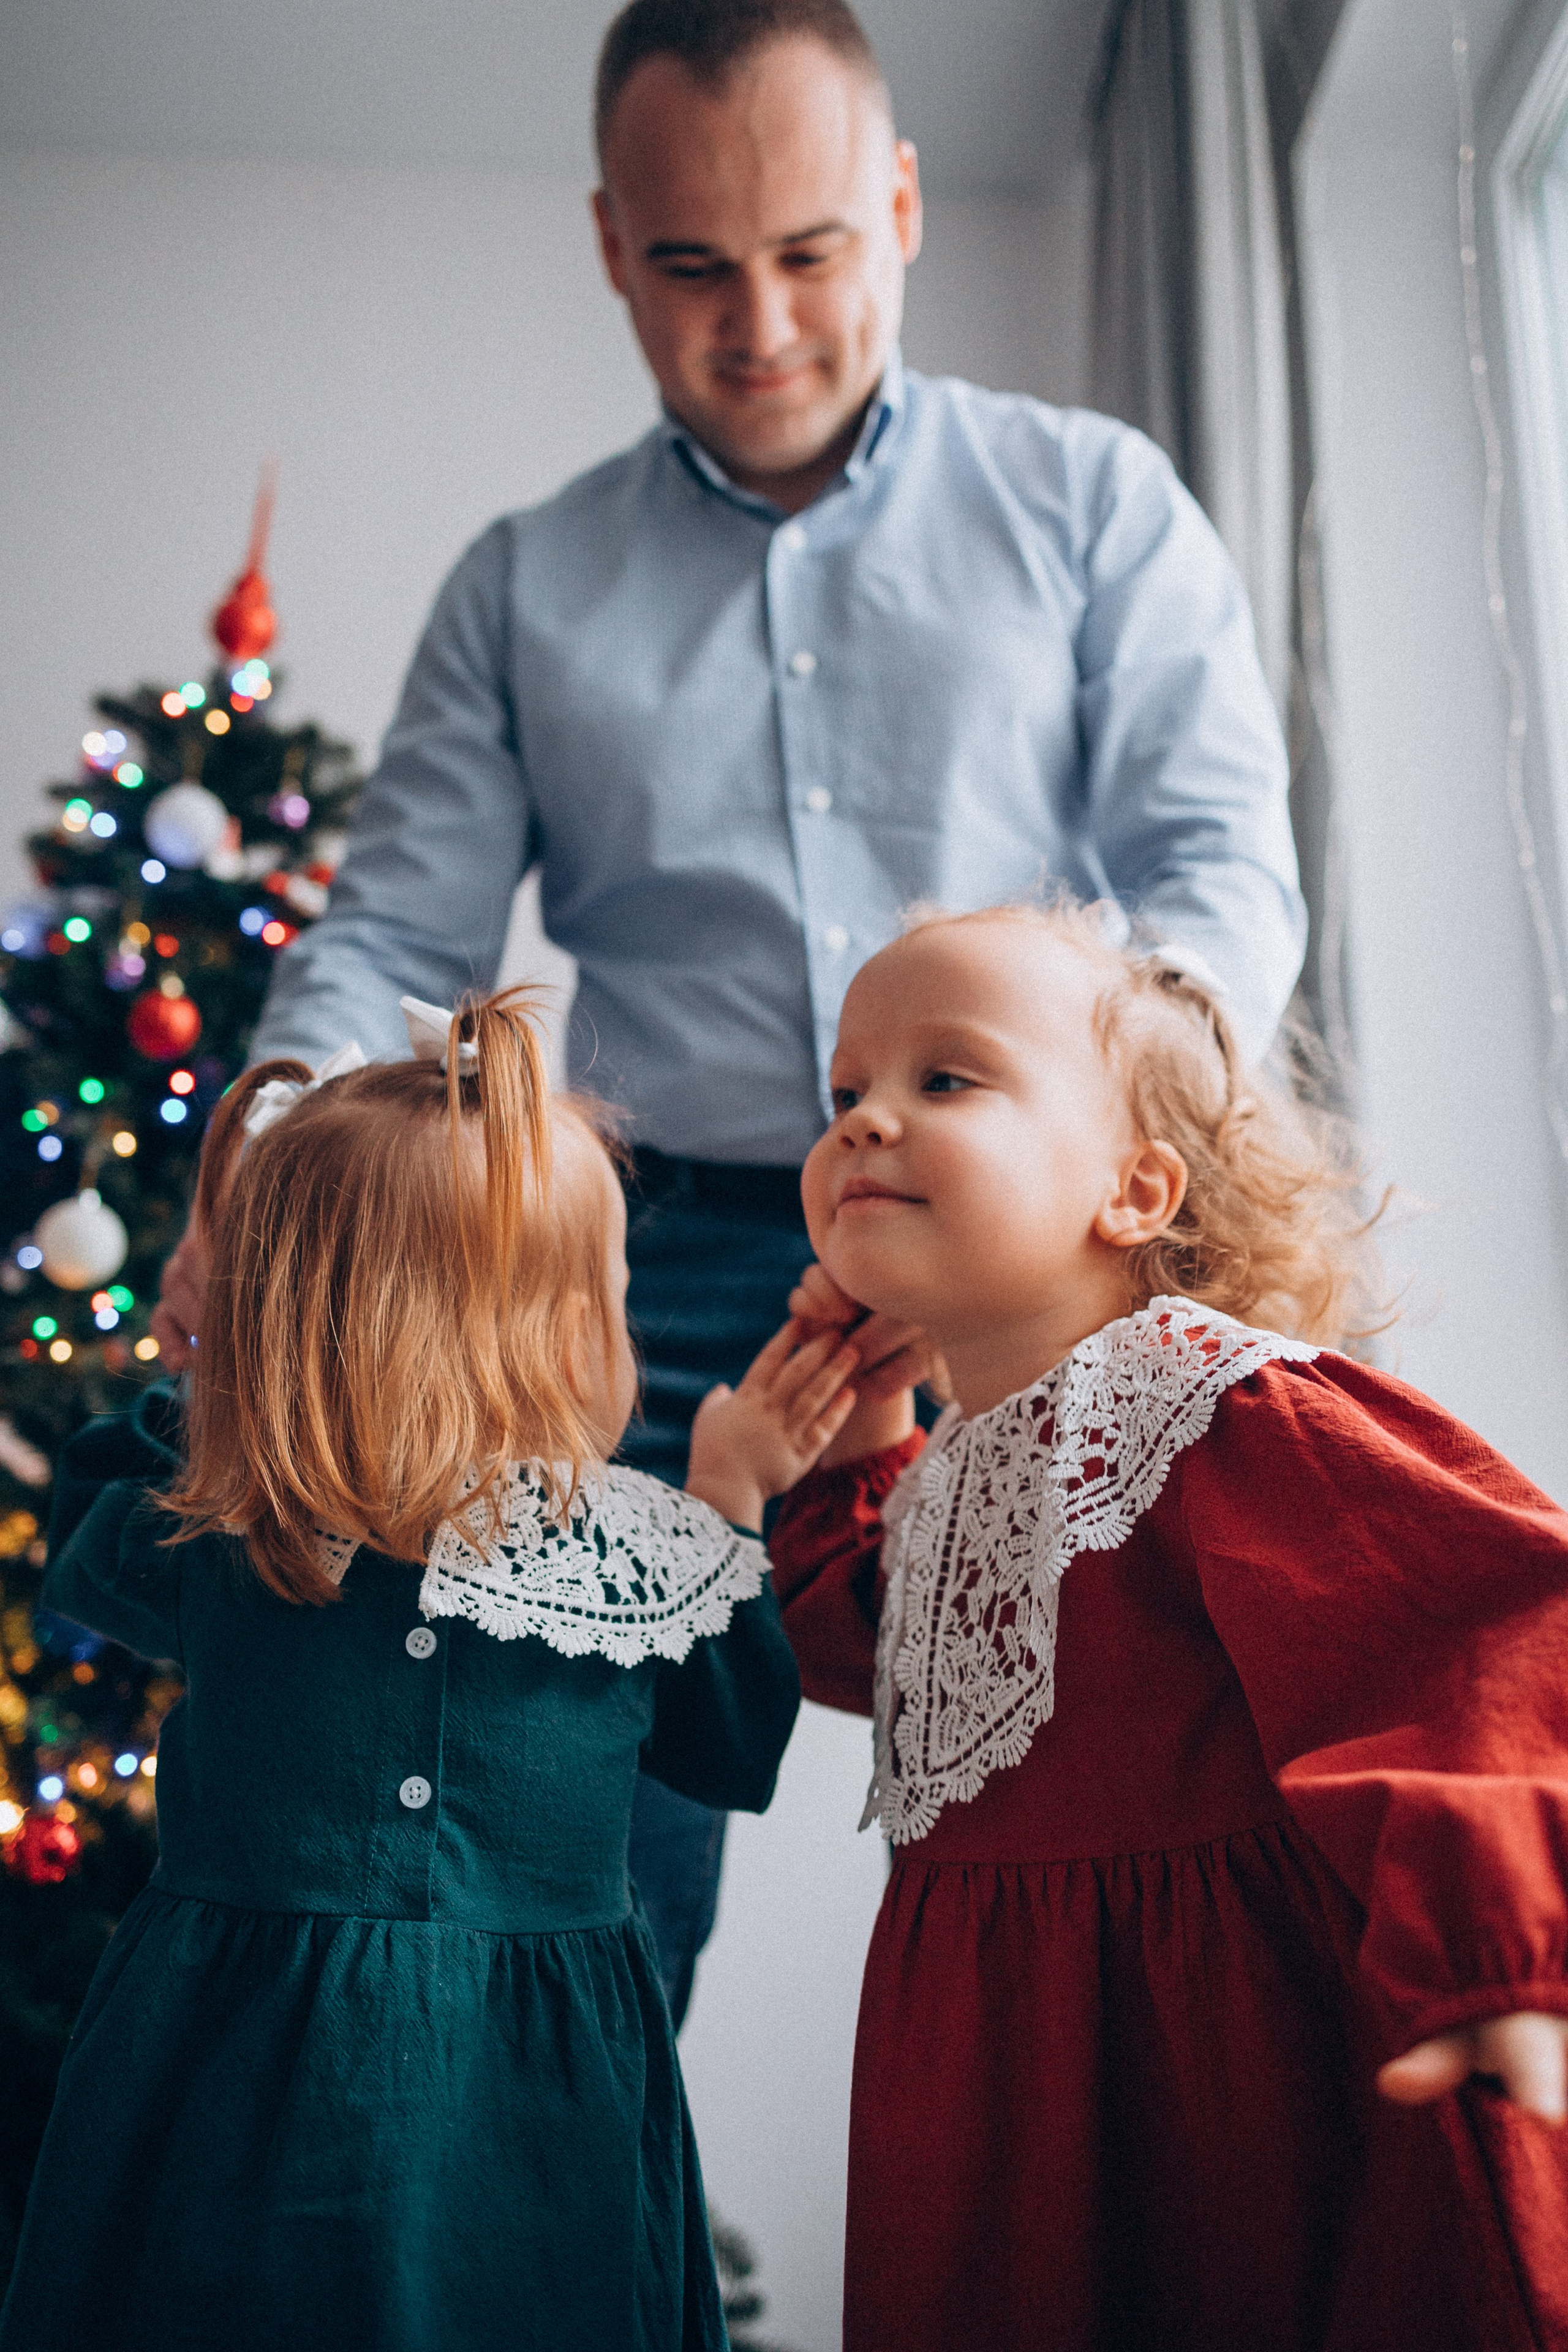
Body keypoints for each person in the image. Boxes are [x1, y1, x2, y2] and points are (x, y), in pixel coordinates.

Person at [156, 0, 1306, 2025]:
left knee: (1155, 1815)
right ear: (613, 245)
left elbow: (1218, 875)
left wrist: (1100, 1155)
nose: (758, 326)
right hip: (647, 1281)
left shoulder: (1094, 503)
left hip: (1055, 1245)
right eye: (692, 264)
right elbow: (400, 931)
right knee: (568, 1868)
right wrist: (255, 1156)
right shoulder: (522, 588)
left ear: (905, 204)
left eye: (811, 251)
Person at [735, 902, 1568, 2352]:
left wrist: (1506, 1945)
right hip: (997, 2102)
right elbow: (880, 1655)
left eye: (943, 1079)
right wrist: (865, 1433)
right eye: (844, 1089)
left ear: (1131, 1189)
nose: (862, 1120)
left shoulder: (1207, 1402)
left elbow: (1468, 1637)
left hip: (1219, 2092)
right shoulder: (950, 1477)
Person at [0, 989, 862, 2352]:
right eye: (610, 1295)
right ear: (546, 1335)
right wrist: (223, 1358)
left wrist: (725, 1505)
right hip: (247, 2082)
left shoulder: (628, 1551)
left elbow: (734, 1743)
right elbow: (738, 1745)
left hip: (519, 2110)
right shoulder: (238, 1516)